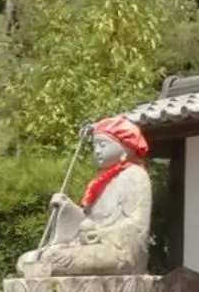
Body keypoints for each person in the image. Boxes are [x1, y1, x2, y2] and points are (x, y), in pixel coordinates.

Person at [15, 117, 152, 277]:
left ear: (124, 149)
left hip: (119, 251)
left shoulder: (135, 175)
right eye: (95, 146)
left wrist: (101, 233)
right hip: (91, 245)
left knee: (52, 259)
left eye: (103, 145)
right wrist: (67, 207)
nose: (97, 151)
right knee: (27, 259)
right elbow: (87, 222)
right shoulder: (102, 181)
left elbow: (138, 226)